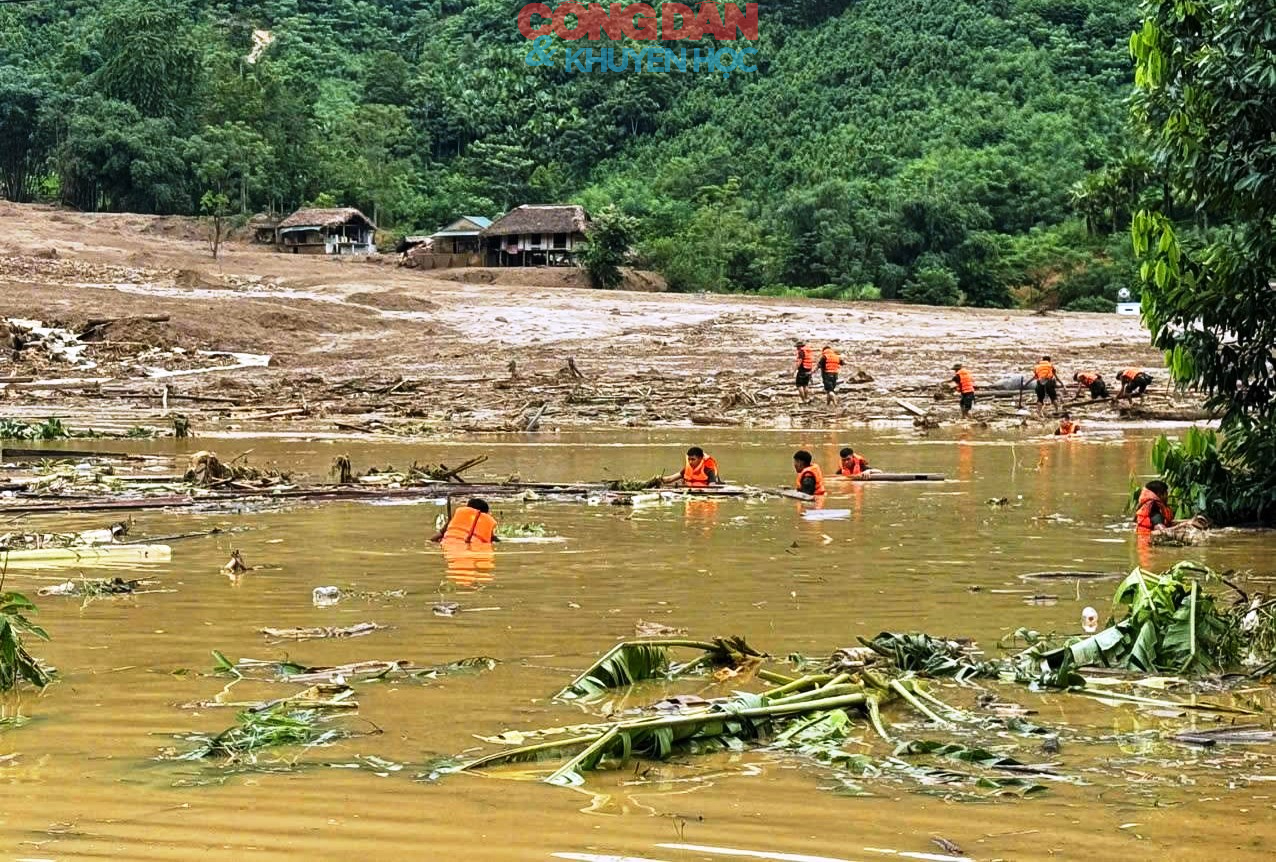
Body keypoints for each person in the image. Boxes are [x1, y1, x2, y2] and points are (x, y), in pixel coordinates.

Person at [430, 498, 499, 544]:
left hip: (448, 545)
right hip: (474, 548)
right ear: (485, 513)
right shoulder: (485, 520)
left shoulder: (458, 515)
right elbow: (494, 539)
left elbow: (434, 538)